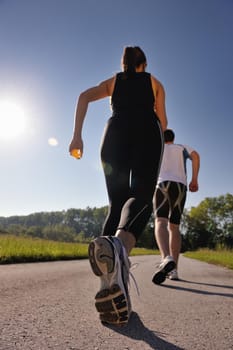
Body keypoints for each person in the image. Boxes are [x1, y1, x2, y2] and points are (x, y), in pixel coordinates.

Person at [69, 46, 167, 325]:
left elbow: (83, 96)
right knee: (142, 198)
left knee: (116, 205)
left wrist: (77, 136)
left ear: (123, 64)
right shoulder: (154, 82)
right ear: (144, 63)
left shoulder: (113, 82)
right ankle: (119, 251)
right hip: (146, 132)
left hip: (112, 134)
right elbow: (163, 120)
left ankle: (108, 283)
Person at [152, 128, 200, 284]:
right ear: (173, 138)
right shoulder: (182, 147)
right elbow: (196, 156)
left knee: (160, 222)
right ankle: (174, 271)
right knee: (174, 227)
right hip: (179, 186)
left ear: (162, 137)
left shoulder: (157, 147)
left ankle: (166, 258)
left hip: (162, 185)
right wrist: (194, 180)